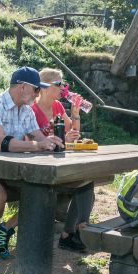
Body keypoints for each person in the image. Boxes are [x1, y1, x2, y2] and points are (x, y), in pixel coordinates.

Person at [0, 66, 63, 270]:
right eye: (37, 89)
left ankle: (5, 229)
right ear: (23, 87)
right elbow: (0, 143)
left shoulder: (26, 111)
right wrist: (38, 145)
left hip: (7, 171)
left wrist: (50, 141)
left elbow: (40, 138)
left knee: (49, 190)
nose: (38, 94)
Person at [32, 68, 93, 252]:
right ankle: (79, 231)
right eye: (59, 84)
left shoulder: (58, 106)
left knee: (86, 180)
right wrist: (64, 140)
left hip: (58, 160)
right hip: (39, 164)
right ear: (44, 87)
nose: (63, 88)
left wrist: (75, 112)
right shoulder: (31, 110)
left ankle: (72, 233)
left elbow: (73, 129)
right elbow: (31, 142)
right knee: (85, 183)